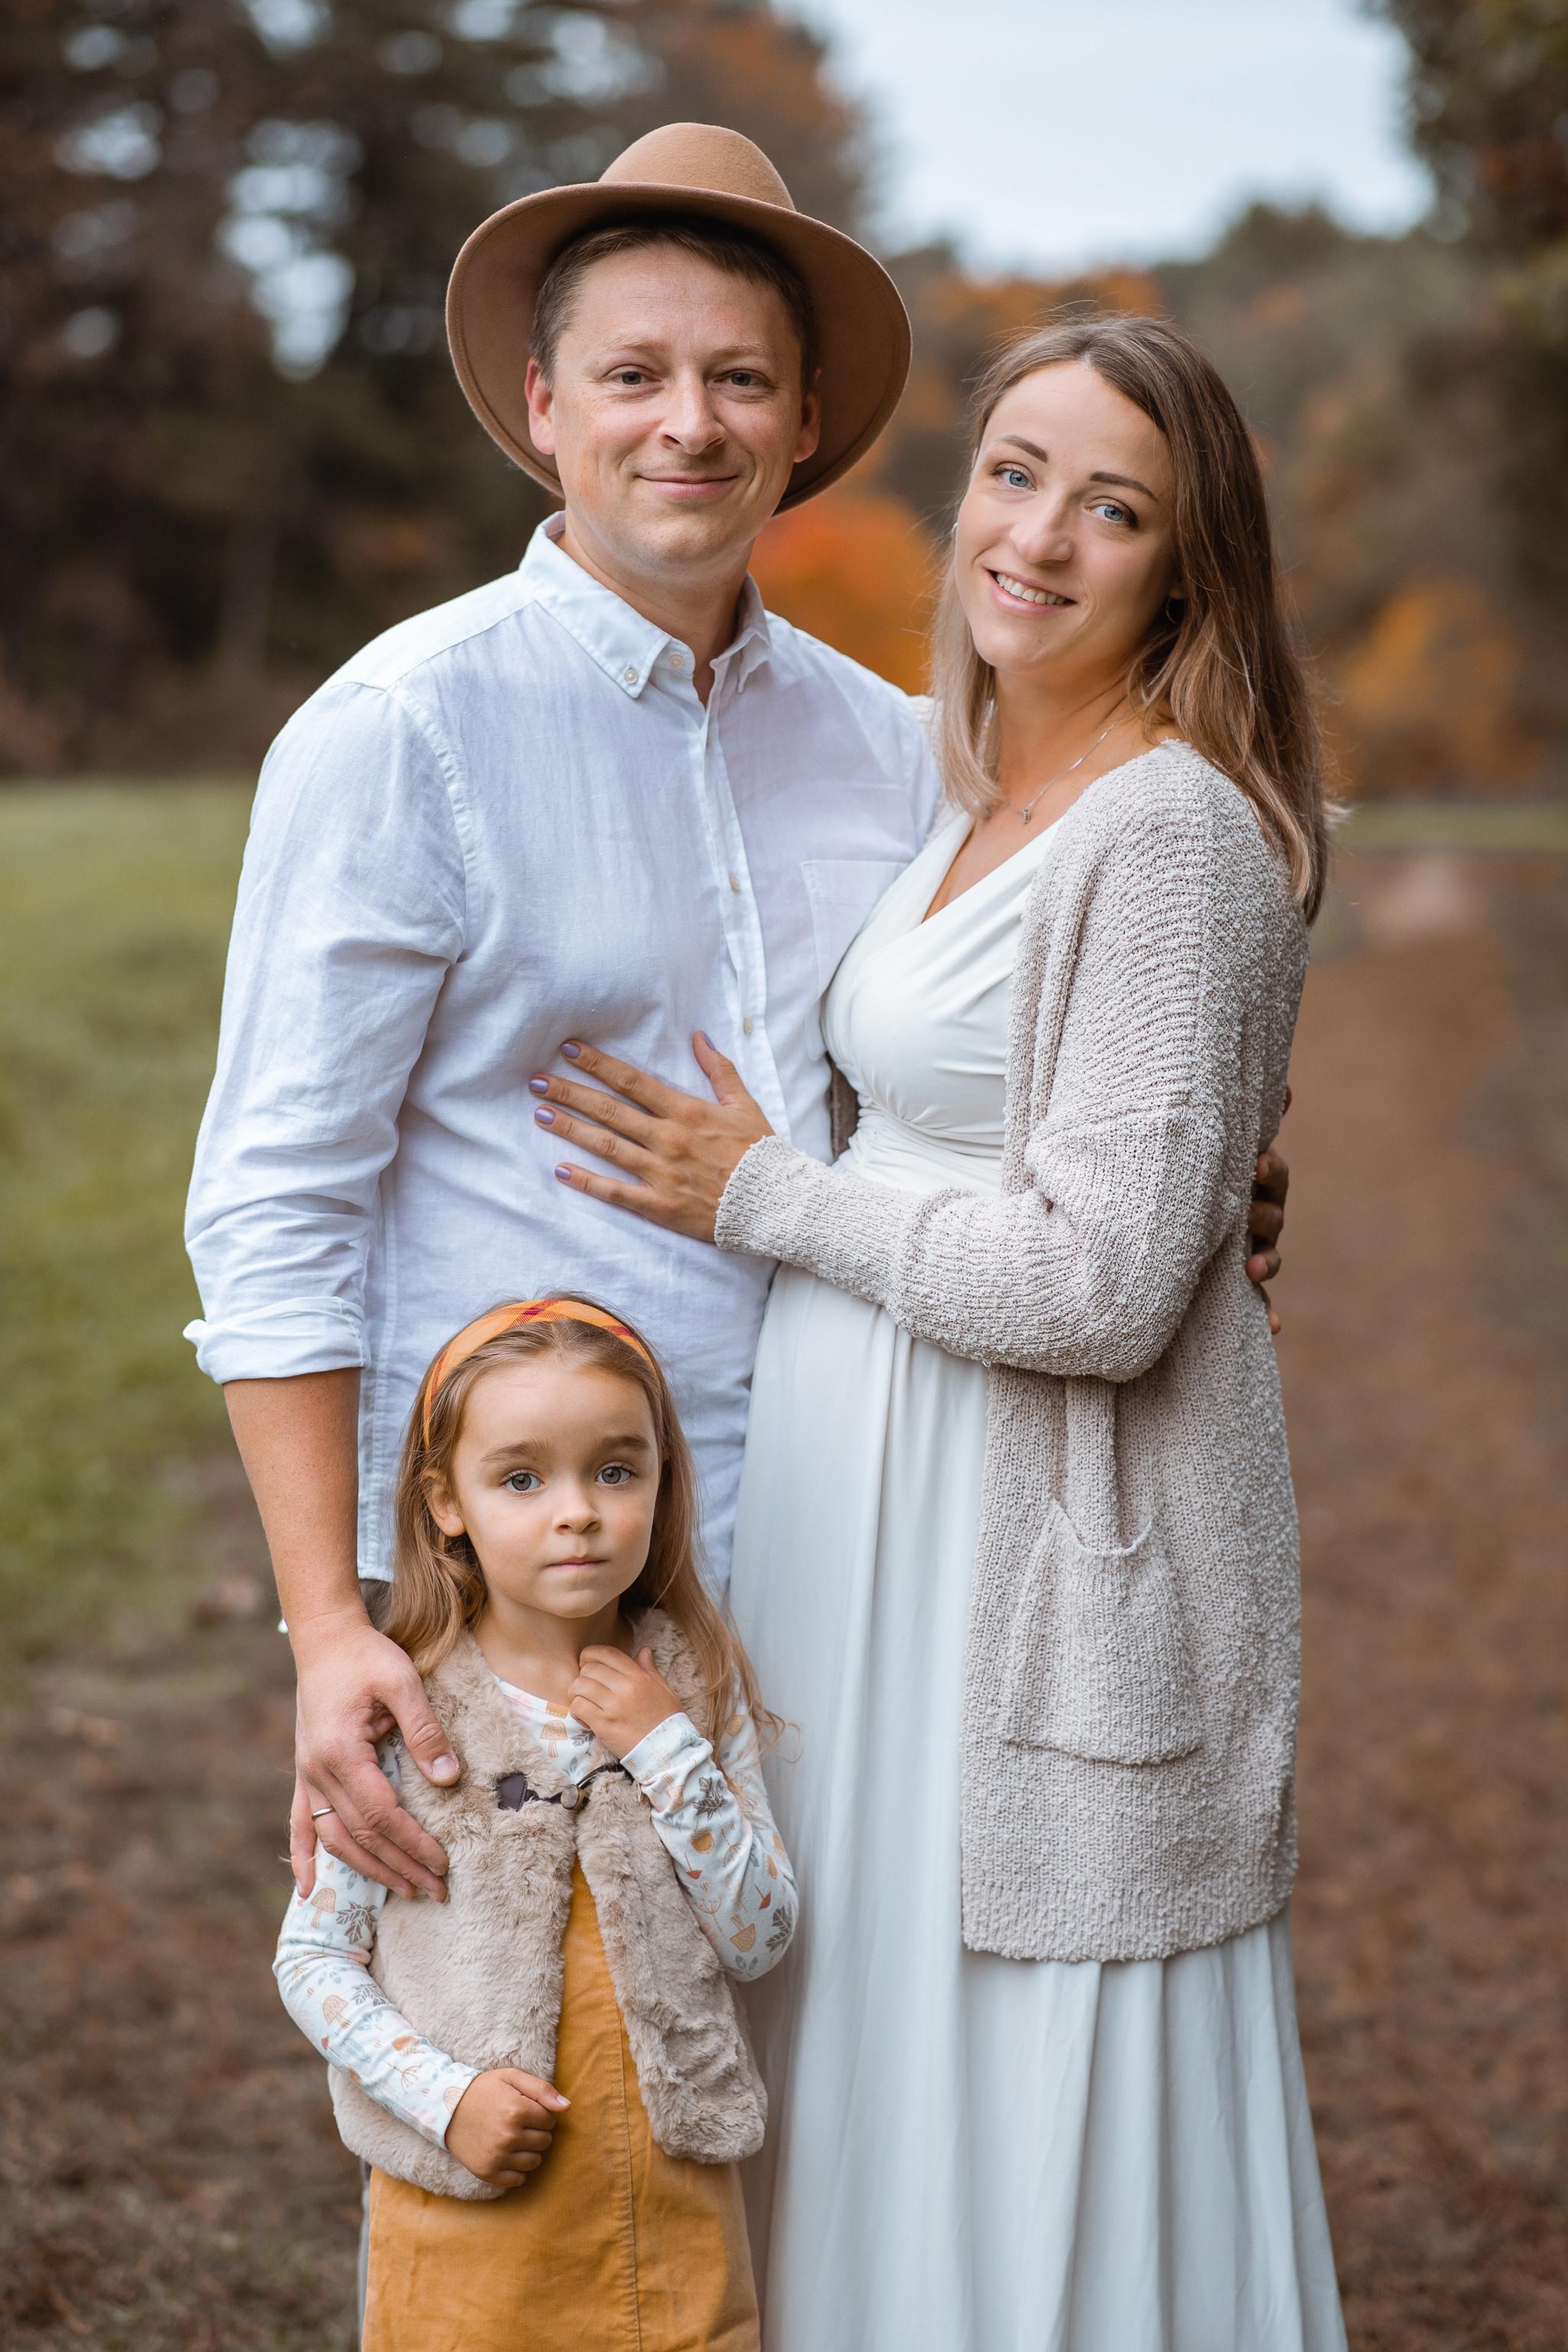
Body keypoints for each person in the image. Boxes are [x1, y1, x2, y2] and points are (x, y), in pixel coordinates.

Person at [183, 122, 1291, 1919]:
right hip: (525, 1588)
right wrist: (329, 1626)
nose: (684, 423)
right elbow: (272, 1202)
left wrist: (1194, 1177)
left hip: (850, 1540)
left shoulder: (898, 749)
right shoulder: (403, 731)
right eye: (633, 374)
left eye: (736, 380)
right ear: (545, 406)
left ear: (801, 427)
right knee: (516, 2109)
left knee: (786, 2135)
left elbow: (982, 1070)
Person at [528, 315, 1348, 2349]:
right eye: (1014, 471)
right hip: (868, 1508)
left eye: (1117, 506)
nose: (1041, 536)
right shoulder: (963, 776)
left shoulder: (1170, 832)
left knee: (996, 2056)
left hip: (1010, 1544)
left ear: (1192, 565)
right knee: (857, 2025)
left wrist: (758, 1195)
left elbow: (1098, 1283)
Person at [273, 1295, 795, 2352]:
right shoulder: (404, 1716)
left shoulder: (693, 1687)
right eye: (522, 1479)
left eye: (616, 1470)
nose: (579, 1512)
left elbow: (759, 1935)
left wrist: (663, 1750)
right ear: (447, 1501)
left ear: (662, 1482)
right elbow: (313, 1962)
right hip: (474, 2205)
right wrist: (447, 2097)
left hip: (669, 2209)